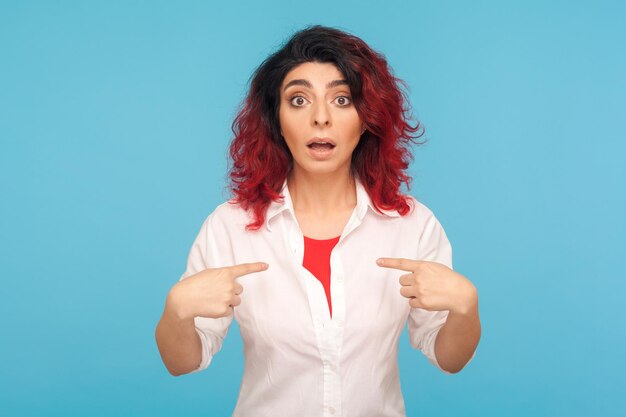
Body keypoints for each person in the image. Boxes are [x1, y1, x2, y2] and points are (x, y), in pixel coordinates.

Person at [155, 25, 481, 417]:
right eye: (298, 100)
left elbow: (450, 359)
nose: (321, 118)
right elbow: (182, 363)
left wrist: (466, 308)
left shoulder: (412, 224)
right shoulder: (230, 226)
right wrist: (176, 311)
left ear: (367, 119)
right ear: (275, 119)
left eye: (342, 99)